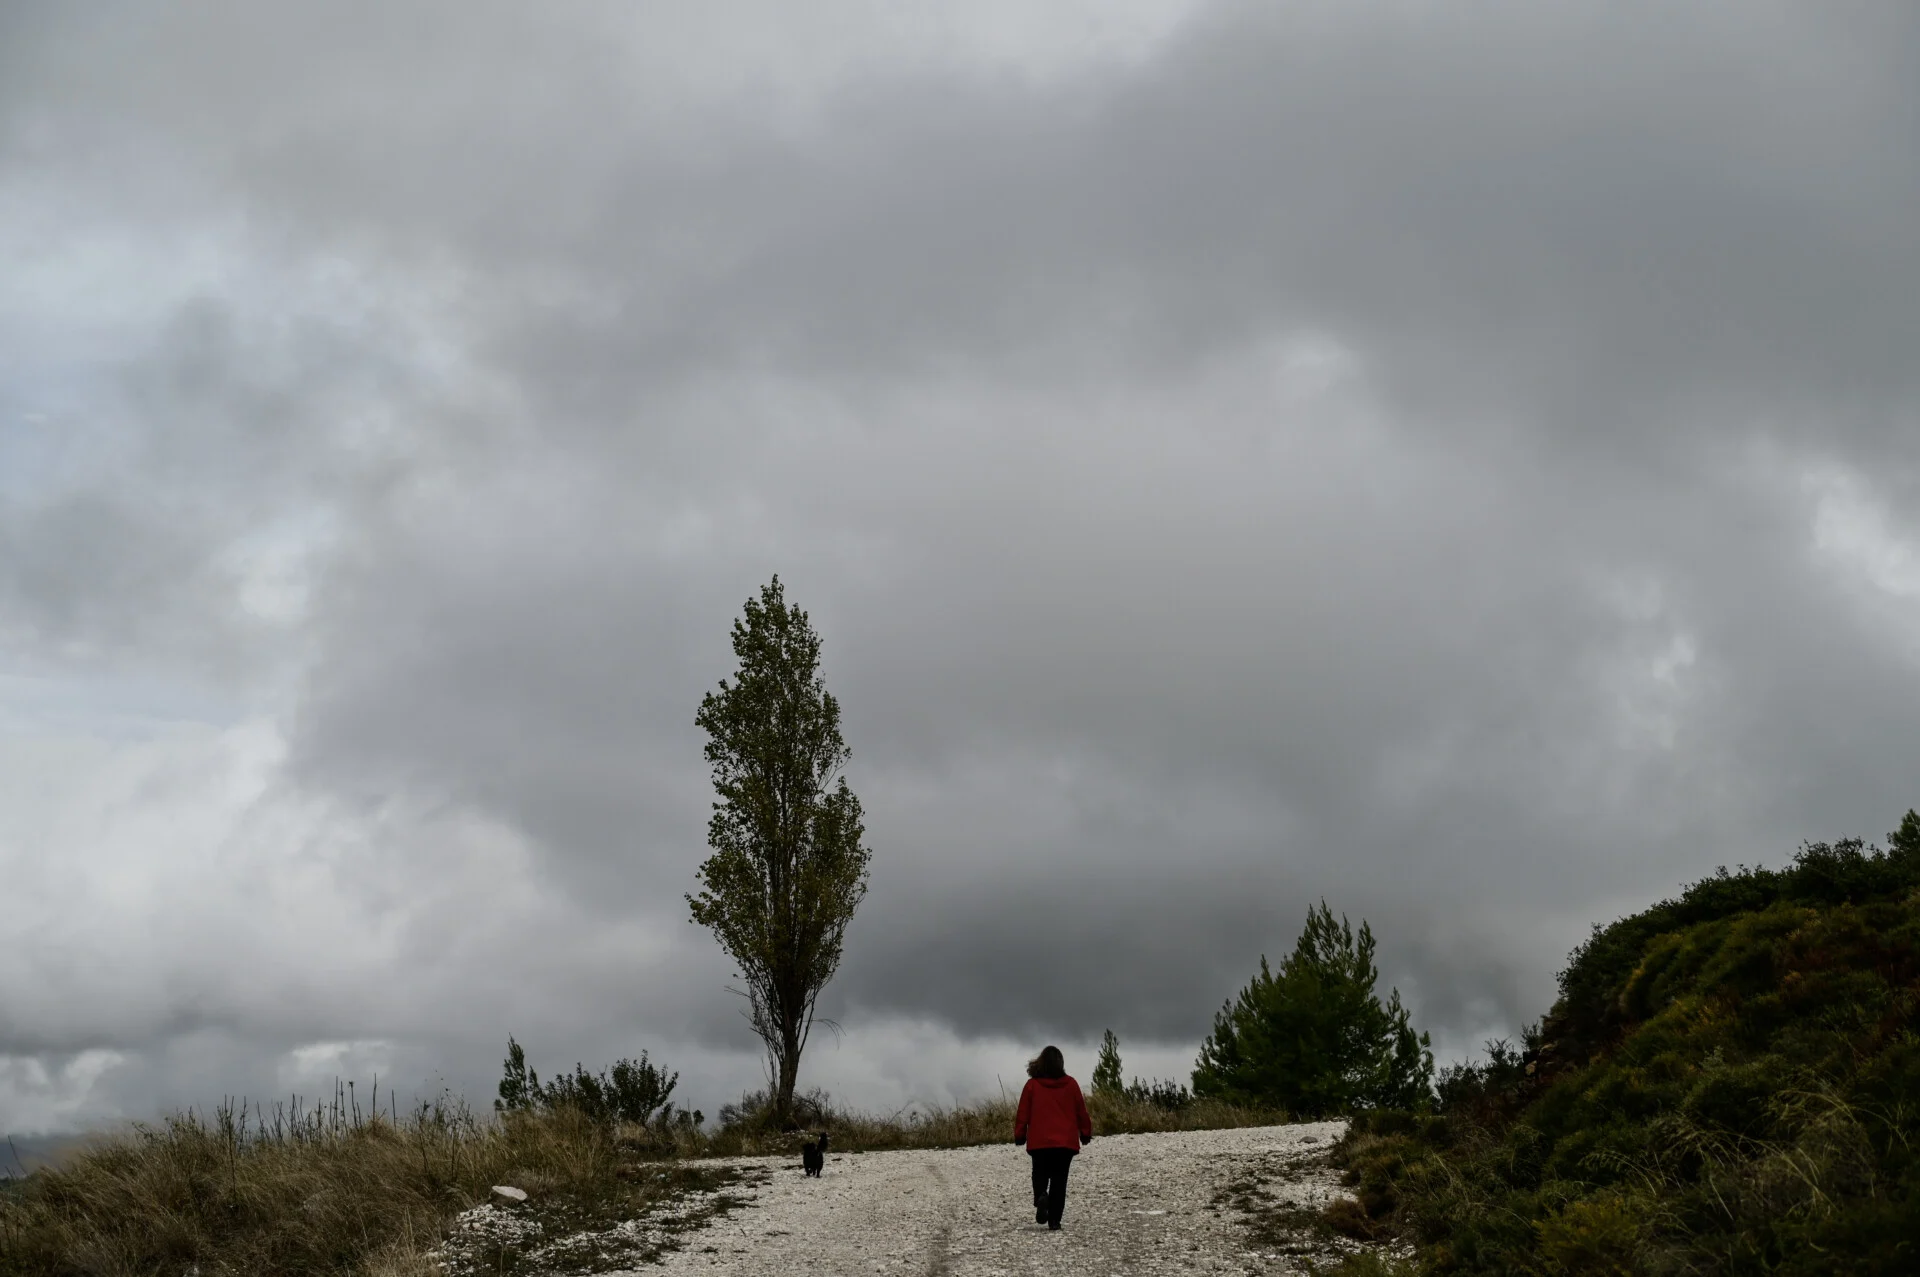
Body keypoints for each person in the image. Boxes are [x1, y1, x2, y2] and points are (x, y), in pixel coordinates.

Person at [1013, 1045, 1092, 1230]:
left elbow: (1022, 1113)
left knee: (1039, 1173)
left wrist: (1020, 1134)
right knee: (1059, 1180)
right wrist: (1086, 1133)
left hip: (1039, 1142)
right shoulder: (1071, 1084)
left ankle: (1041, 1196)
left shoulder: (1032, 1085)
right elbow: (1082, 1111)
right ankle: (1054, 1220)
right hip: (1065, 1144)